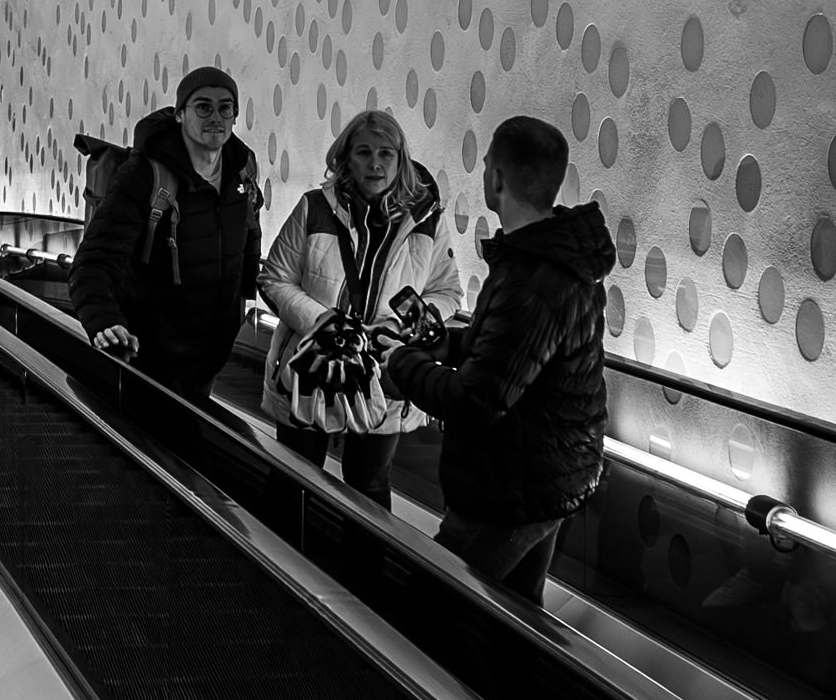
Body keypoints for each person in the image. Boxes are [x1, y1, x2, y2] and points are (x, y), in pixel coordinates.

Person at [398, 112, 612, 611]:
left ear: (496, 178)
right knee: (514, 616)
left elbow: (478, 400)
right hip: (548, 474)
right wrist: (450, 348)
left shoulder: (531, 278)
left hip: (510, 489)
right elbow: (519, 354)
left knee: (427, 609)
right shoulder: (555, 258)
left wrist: (400, 361)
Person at [259, 105, 454, 507]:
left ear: (401, 160)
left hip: (383, 370)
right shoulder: (314, 207)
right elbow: (274, 278)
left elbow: (447, 291)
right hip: (313, 364)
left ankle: (361, 554)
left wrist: (404, 325)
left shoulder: (427, 220)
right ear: (346, 157)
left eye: (386, 154)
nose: (375, 164)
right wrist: (323, 322)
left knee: (369, 486)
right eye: (364, 152)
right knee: (294, 476)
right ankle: (280, 548)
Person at [73, 62, 264, 400]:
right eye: (203, 107)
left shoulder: (241, 169)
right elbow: (94, 262)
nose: (215, 117)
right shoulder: (145, 175)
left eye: (225, 108)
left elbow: (248, 239)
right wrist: (103, 319)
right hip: (148, 358)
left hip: (211, 357)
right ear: (179, 114)